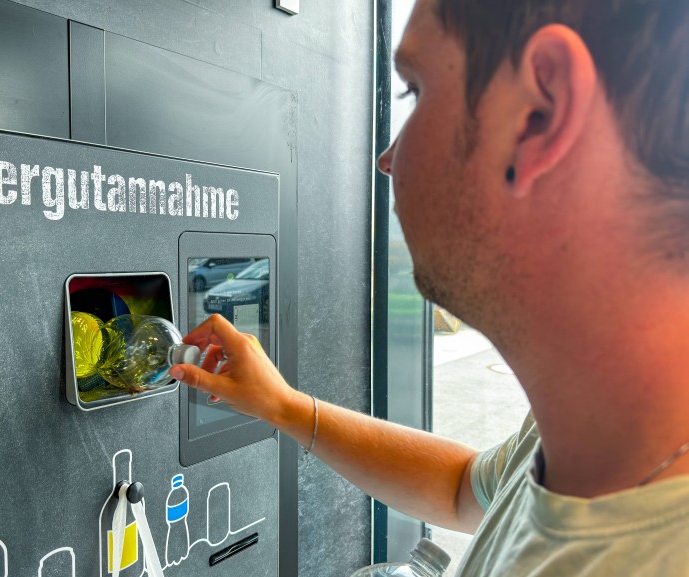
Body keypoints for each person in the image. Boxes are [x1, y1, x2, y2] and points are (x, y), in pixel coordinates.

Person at [169, 0, 689, 574]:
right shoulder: (589, 425)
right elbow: (461, 489)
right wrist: (286, 407)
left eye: (414, 91)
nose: (386, 159)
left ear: (540, 111)